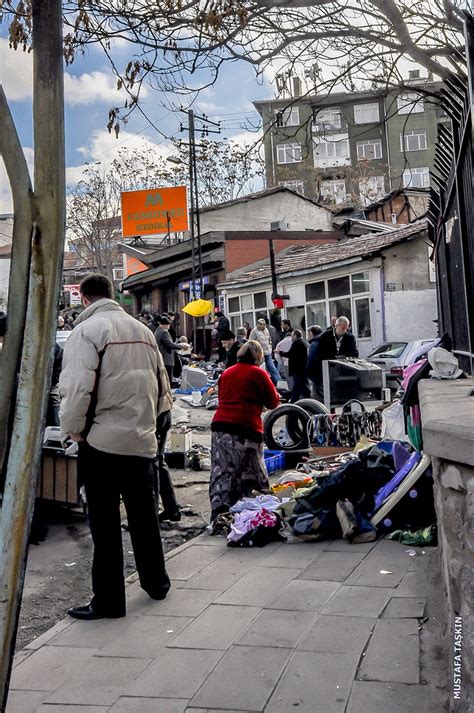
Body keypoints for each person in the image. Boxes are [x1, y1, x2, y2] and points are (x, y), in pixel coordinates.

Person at [59, 274, 170, 620]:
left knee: (105, 526)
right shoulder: (144, 332)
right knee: (144, 516)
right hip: (141, 441)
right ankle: (157, 583)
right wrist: (156, 427)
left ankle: (109, 601)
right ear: (111, 294)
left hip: (103, 443)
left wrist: (73, 431)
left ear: (85, 298)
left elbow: (77, 390)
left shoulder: (87, 332)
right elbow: (162, 387)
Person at [209, 340, 279, 521]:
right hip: (247, 428)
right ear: (258, 356)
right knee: (254, 472)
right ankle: (262, 510)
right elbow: (273, 402)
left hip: (221, 428)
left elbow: (223, 396)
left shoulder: (227, 373)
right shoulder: (258, 373)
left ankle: (219, 514)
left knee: (222, 471)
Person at [313, 316, 359, 399]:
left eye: (346, 328)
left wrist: (346, 358)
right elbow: (320, 353)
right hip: (329, 368)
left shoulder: (350, 337)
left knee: (344, 393)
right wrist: (333, 358)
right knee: (329, 393)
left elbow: (355, 353)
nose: (345, 331)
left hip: (344, 369)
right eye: (343, 328)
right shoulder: (325, 336)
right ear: (336, 326)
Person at [277, 329, 311, 402]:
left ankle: (293, 398)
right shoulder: (303, 343)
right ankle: (299, 398)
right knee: (301, 385)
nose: (291, 338)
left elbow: (290, 354)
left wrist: (280, 352)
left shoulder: (297, 343)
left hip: (298, 368)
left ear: (295, 335)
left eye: (292, 335)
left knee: (298, 385)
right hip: (301, 368)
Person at [154, 315, 186, 384]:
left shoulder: (157, 331)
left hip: (161, 358)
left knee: (162, 380)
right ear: (165, 325)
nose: (168, 328)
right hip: (167, 359)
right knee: (168, 380)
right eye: (168, 326)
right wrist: (181, 346)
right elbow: (169, 344)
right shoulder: (164, 332)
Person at [249, 318, 281, 385]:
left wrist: (270, 347)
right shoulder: (254, 331)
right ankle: (262, 383)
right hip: (260, 353)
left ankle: (279, 382)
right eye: (259, 324)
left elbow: (269, 339)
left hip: (268, 352)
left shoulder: (266, 330)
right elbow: (251, 342)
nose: (260, 325)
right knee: (262, 369)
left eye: (262, 324)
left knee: (272, 368)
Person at [306, 324, 323, 400]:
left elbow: (311, 359)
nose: (307, 337)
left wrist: (308, 371)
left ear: (312, 333)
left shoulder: (314, 344)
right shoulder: (323, 341)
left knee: (317, 395)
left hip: (316, 373)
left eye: (308, 334)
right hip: (323, 371)